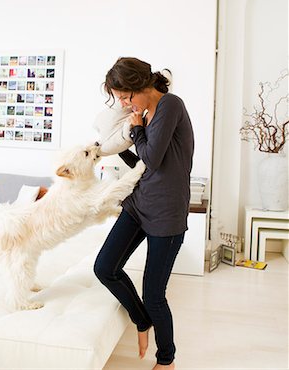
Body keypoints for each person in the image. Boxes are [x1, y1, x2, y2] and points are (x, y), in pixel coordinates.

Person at [94, 57, 194, 370]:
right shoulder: (146, 113)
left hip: (167, 211)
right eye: (119, 98)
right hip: (140, 203)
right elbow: (140, 159)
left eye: (125, 96)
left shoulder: (169, 105)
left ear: (141, 86)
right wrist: (121, 139)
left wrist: (136, 130)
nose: (124, 103)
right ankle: (141, 322)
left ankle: (166, 361)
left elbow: (151, 157)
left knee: (154, 295)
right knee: (105, 267)